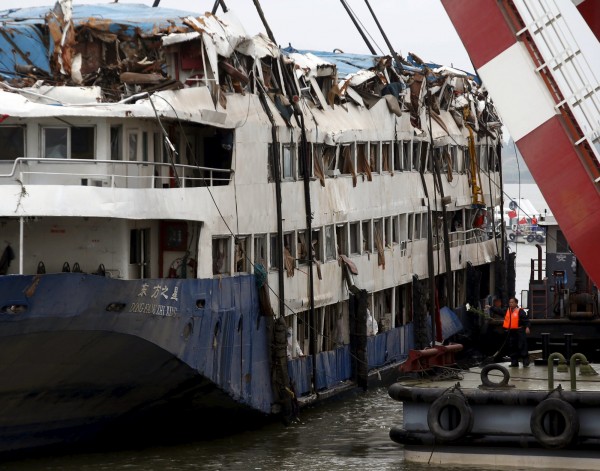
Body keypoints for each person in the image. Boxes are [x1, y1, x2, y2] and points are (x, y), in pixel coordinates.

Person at [503, 297, 530, 367]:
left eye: (512, 302)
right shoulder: (508, 310)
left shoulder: (520, 311)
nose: (510, 304)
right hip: (512, 331)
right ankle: (514, 362)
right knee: (512, 347)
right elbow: (500, 311)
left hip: (520, 331)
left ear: (516, 303)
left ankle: (525, 362)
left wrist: (527, 327)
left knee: (522, 346)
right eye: (510, 302)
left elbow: (526, 320)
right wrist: (491, 308)